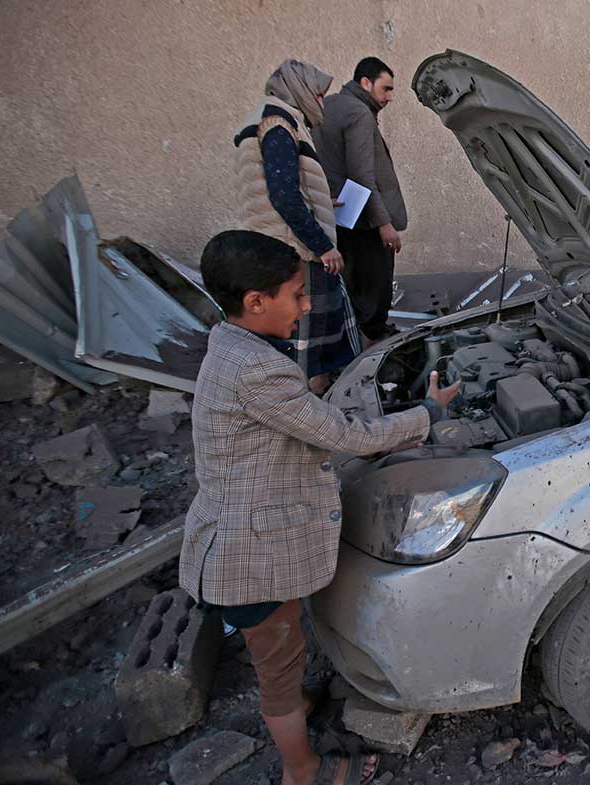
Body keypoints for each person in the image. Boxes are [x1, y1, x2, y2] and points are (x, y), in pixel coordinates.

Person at [179, 230, 459, 785]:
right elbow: (340, 434)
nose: (306, 306)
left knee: (282, 649)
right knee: (278, 670)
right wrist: (426, 415)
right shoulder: (258, 373)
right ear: (255, 302)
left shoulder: (233, 346)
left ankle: (296, 711)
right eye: (296, 294)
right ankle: (301, 770)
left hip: (238, 532)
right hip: (249, 555)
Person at [235, 59, 360, 395]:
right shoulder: (279, 122)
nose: (321, 104)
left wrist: (322, 202)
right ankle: (308, 411)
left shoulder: (268, 119)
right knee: (306, 344)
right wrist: (323, 247)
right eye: (319, 95)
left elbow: (282, 187)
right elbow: (284, 196)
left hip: (279, 245)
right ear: (299, 90)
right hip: (293, 251)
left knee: (305, 343)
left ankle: (311, 402)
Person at [314, 57, 408, 344]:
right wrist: (384, 224)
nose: (389, 97)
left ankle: (352, 345)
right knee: (375, 291)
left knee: (351, 288)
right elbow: (363, 176)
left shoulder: (326, 106)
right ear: (365, 83)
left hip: (336, 213)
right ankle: (371, 352)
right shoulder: (359, 113)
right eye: (385, 88)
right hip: (362, 218)